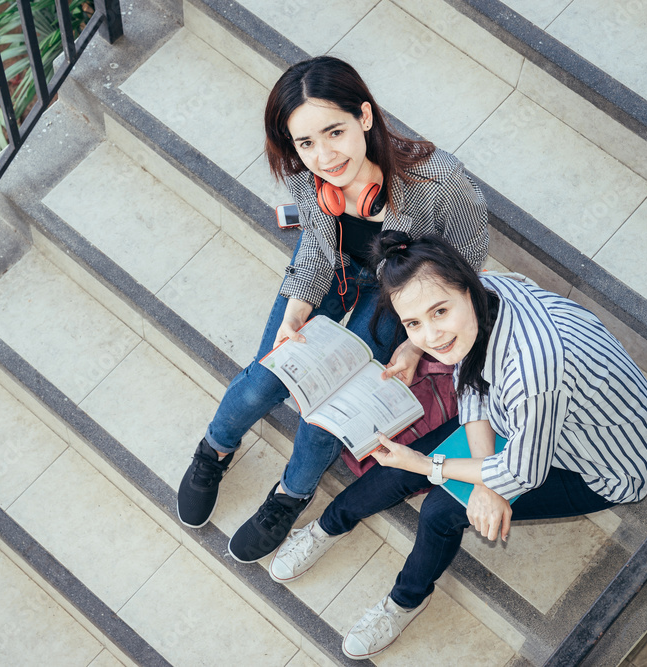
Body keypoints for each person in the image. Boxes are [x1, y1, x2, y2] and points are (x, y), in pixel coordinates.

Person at [267, 231, 647, 660]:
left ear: (467, 289)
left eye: (439, 312)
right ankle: (327, 527)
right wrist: (473, 467)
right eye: (413, 323)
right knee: (403, 462)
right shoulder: (489, 289)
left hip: (603, 463)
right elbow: (471, 380)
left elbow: (522, 472)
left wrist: (436, 468)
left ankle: (405, 601)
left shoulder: (532, 374)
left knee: (441, 508)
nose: (431, 336)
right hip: (534, 421)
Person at [175, 55, 490, 563]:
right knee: (264, 379)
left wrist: (413, 341)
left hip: (397, 284)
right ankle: (214, 450)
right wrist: (297, 310)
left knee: (327, 414)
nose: (324, 156)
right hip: (334, 266)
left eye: (334, 132)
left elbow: (470, 255)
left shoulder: (439, 182)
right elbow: (318, 249)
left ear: (365, 117)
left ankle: (291, 496)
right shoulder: (307, 176)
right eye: (306, 143)